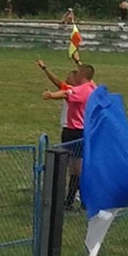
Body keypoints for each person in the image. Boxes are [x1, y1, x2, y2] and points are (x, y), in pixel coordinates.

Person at [42, 64, 97, 210]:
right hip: (75, 131)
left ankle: (79, 199)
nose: (75, 75)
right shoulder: (92, 87)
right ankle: (70, 199)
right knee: (74, 168)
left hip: (77, 131)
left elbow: (66, 93)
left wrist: (52, 95)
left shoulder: (82, 90)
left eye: (78, 73)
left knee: (76, 168)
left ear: (82, 75)